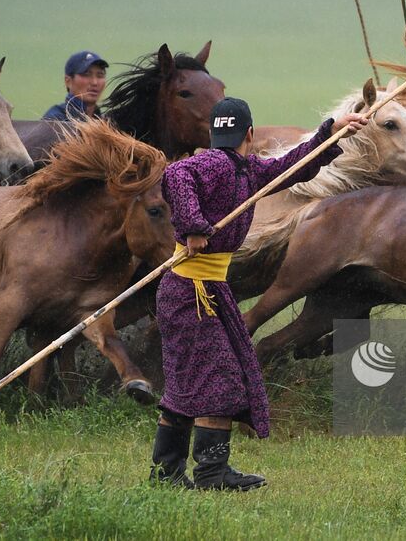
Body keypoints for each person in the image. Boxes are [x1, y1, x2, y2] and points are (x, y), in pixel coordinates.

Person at [149, 96, 368, 490]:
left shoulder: (246, 170)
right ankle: (211, 474)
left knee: (188, 380)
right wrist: (194, 227)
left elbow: (294, 168)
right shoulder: (213, 165)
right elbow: (176, 175)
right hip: (192, 290)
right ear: (249, 133)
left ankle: (166, 475)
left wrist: (328, 136)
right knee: (222, 376)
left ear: (216, 133)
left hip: (202, 288)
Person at [41, 50, 108, 121]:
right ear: (68, 81)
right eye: (86, 75)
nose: (95, 82)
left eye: (100, 75)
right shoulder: (56, 120)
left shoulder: (105, 121)